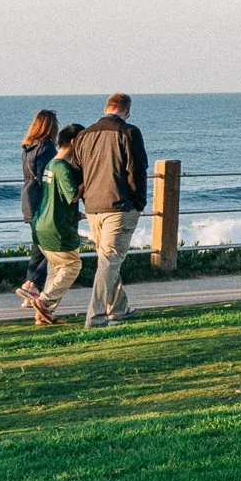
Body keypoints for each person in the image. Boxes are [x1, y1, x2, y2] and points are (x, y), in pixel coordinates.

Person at [75, 93, 147, 328]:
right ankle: (95, 317)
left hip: (93, 206)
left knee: (107, 259)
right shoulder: (129, 132)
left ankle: (118, 308)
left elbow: (77, 172)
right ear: (127, 111)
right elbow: (136, 170)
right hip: (119, 205)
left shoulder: (84, 135)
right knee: (109, 261)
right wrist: (139, 203)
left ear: (107, 108)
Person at [28, 123, 85, 325]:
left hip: (43, 224)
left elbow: (56, 196)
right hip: (57, 228)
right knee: (72, 265)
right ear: (74, 141)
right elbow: (72, 195)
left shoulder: (51, 164)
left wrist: (74, 214)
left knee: (55, 270)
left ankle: (43, 315)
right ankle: (43, 302)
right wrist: (89, 180)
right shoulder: (63, 167)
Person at [15, 109, 60, 307]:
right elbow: (47, 178)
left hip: (28, 198)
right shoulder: (47, 148)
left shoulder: (28, 148)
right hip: (42, 201)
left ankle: (31, 290)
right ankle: (31, 284)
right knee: (52, 248)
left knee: (39, 246)